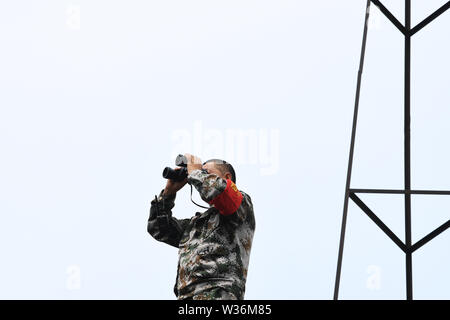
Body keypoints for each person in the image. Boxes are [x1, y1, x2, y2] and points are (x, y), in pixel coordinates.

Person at [147, 153, 255, 300]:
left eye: (206, 173)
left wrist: (196, 172)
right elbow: (159, 229)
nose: (198, 176)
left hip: (219, 294)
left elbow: (222, 193)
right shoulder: (196, 225)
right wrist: (168, 193)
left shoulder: (241, 206)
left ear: (227, 178)